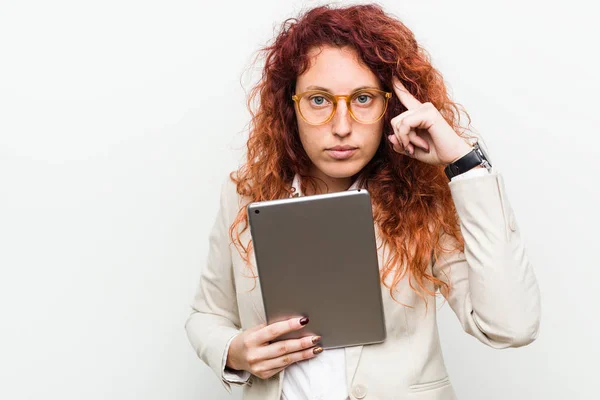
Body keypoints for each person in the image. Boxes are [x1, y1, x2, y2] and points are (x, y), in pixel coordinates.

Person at [184, 3, 541, 400]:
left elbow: (511, 326)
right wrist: (234, 352)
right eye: (319, 100)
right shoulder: (245, 193)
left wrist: (464, 163)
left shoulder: (420, 198)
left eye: (363, 98)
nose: (341, 127)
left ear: (391, 106)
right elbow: (208, 315)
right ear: (291, 107)